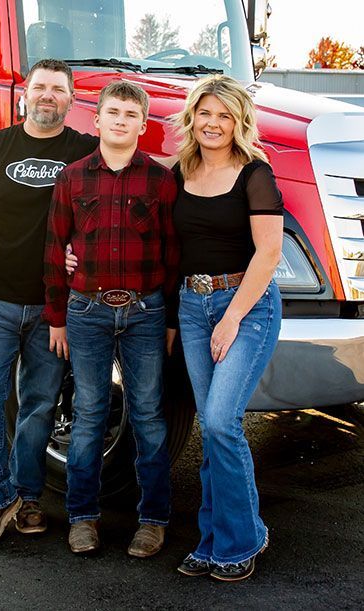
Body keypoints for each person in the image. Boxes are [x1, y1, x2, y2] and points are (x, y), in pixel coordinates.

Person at [0, 59, 98, 546]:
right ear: (24, 95)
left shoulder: (86, 153)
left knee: (39, 407)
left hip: (55, 311)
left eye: (58, 89)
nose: (48, 95)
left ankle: (28, 498)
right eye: (40, 87)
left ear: (73, 101)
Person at [42, 81, 180, 557]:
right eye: (112, 112)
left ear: (144, 124)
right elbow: (54, 248)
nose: (121, 120)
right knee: (89, 416)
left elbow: (172, 254)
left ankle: (153, 519)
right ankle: (83, 517)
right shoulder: (73, 178)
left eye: (130, 114)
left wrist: (169, 321)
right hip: (86, 311)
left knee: (148, 415)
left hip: (145, 312)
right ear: (95, 119)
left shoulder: (162, 181)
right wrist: (57, 317)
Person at [168, 75, 284, 581]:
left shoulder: (255, 173)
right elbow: (165, 247)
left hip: (247, 305)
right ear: (192, 117)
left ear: (238, 122)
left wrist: (232, 316)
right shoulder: (179, 172)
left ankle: (243, 539)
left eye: (224, 115)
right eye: (205, 113)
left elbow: (270, 252)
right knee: (214, 428)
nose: (213, 123)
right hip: (192, 306)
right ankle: (212, 538)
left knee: (220, 421)